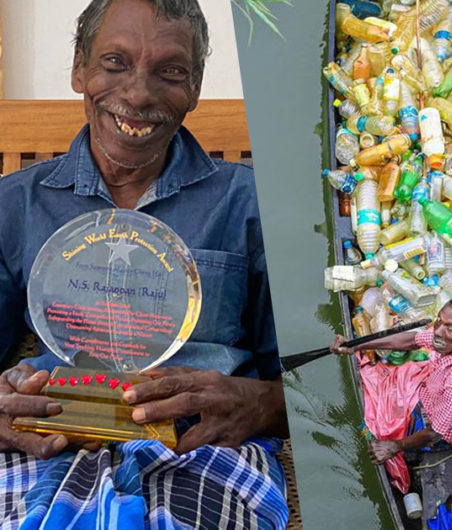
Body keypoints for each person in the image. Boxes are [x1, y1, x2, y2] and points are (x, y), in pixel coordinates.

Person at [0, 1, 289, 528]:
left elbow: (313, 385)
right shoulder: (15, 206)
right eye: (114, 62)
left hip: (201, 448)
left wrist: (263, 404)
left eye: (171, 72)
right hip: (48, 444)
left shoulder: (250, 205)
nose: (138, 94)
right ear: (78, 69)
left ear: (195, 87)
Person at [330, 295, 452, 476]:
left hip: (445, 429)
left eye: (451, 328)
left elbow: (434, 433)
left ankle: (410, 452)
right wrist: (357, 345)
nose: (438, 331)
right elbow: (412, 341)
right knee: (383, 390)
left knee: (378, 429)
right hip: (435, 388)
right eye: (439, 320)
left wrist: (395, 446)